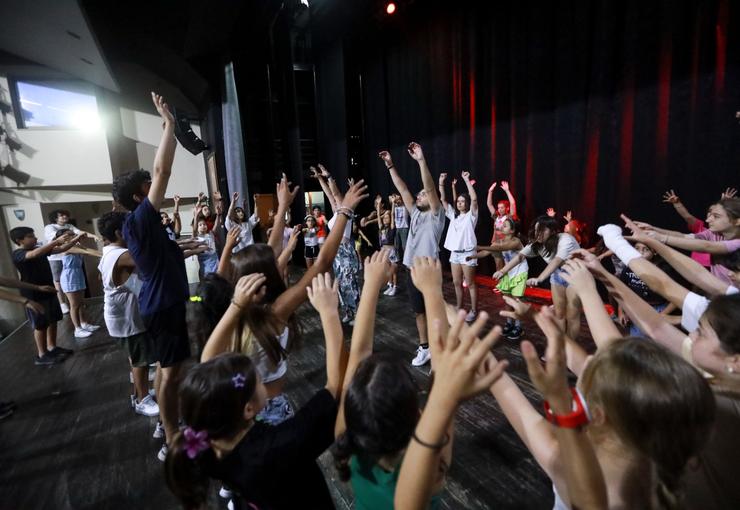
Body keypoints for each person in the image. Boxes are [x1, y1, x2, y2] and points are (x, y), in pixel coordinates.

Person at [334, 253, 507, 510]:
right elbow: (440, 376)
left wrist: (371, 285)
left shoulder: (345, 439)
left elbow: (359, 354)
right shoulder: (430, 469)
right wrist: (432, 292)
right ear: (416, 414)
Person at [165, 273, 349, 510]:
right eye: (258, 379)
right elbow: (335, 387)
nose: (262, 379)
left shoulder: (215, 444)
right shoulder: (281, 445)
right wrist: (329, 313)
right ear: (248, 409)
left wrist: (237, 305)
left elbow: (208, 363)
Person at [202, 178, 368, 425]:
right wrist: (344, 211)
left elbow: (270, 251)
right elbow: (322, 263)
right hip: (269, 408)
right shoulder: (273, 314)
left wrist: (282, 208)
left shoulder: (234, 310)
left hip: (243, 407)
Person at [111, 92, 189, 461]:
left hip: (163, 304)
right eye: (146, 188)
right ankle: (172, 438)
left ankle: (164, 424)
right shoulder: (139, 219)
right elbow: (162, 171)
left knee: (165, 368)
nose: (153, 188)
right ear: (138, 196)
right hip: (163, 305)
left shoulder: (146, 224)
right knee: (171, 375)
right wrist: (169, 125)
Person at [379, 142, 446, 367]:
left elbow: (430, 189)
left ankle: (439, 348)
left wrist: (421, 161)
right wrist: (390, 165)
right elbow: (403, 189)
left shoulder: (436, 214)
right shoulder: (415, 212)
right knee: (419, 312)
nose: (419, 197)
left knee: (434, 312)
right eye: (419, 196)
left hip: (429, 272)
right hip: (412, 270)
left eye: (423, 195)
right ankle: (425, 348)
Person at [96, 211, 159, 417]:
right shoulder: (121, 255)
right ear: (118, 232)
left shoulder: (111, 252)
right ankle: (142, 400)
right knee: (141, 361)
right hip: (126, 320)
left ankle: (139, 393)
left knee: (136, 358)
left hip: (124, 317)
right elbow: (153, 259)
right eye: (130, 227)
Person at [494, 215, 582, 340]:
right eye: (536, 230)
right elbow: (520, 256)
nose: (538, 233)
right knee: (559, 314)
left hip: (576, 274)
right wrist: (503, 271)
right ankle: (561, 346)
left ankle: (571, 348)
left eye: (542, 230)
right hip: (557, 274)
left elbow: (557, 260)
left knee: (572, 315)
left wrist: (539, 278)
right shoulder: (537, 244)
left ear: (552, 231)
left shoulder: (565, 239)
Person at [10, 226, 79, 365]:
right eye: (30, 236)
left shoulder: (39, 249)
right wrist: (56, 241)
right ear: (19, 240)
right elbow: (33, 255)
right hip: (33, 293)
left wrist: (76, 239)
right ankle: (42, 355)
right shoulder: (18, 253)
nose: (35, 238)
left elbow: (61, 249)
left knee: (53, 319)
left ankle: (52, 347)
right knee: (40, 324)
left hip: (48, 288)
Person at [634, 197, 740, 285]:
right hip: (722, 294)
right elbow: (683, 237)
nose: (708, 220)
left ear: (737, 221)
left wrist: (661, 237)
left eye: (716, 216)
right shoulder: (713, 233)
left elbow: (707, 246)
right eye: (710, 215)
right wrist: (652, 229)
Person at [469, 217, 529, 339]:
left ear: (512, 230)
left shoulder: (516, 241)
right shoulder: (499, 241)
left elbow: (500, 248)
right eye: (502, 225)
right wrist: (473, 257)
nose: (502, 226)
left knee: (516, 300)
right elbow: (487, 252)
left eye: (505, 225)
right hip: (507, 272)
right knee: (507, 299)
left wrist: (481, 246)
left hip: (519, 272)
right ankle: (509, 322)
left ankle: (518, 326)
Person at [44, 209, 100, 314]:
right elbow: (60, 238)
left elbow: (81, 234)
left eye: (66, 215)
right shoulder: (50, 227)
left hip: (72, 264)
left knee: (76, 288)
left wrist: (94, 236)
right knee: (58, 281)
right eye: (61, 215)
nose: (65, 217)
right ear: (55, 218)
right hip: (56, 258)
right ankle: (62, 303)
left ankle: (77, 304)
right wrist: (74, 238)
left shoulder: (69, 226)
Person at [440, 171, 478, 321]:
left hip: (468, 253)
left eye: (463, 201)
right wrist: (441, 182)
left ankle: (474, 310)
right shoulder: (453, 215)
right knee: (456, 282)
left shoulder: (471, 216)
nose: (460, 203)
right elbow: (443, 199)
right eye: (459, 201)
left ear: (467, 203)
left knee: (470, 283)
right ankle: (460, 307)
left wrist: (466, 180)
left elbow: (474, 198)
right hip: (455, 253)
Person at [53, 228, 101, 338]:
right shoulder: (67, 247)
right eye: (69, 235)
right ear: (63, 238)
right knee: (74, 305)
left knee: (81, 303)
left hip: (78, 274)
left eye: (72, 234)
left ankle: (84, 323)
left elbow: (88, 250)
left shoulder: (76, 245)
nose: (73, 236)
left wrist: (104, 252)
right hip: (69, 276)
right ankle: (77, 329)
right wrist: (105, 254)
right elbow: (87, 252)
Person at [486, 180, 517, 272]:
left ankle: (508, 281)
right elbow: (489, 204)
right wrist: (490, 191)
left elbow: (512, 203)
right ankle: (499, 281)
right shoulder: (496, 217)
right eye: (498, 207)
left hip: (506, 244)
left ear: (507, 208)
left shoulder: (509, 217)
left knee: (508, 267)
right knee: (498, 266)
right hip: (496, 244)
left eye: (502, 207)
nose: (499, 209)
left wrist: (507, 190)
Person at [373, 195, 399, 296]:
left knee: (393, 270)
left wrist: (393, 204)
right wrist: (379, 205)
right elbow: (378, 216)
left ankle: (395, 287)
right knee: (388, 270)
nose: (385, 219)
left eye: (387, 218)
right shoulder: (381, 227)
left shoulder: (392, 227)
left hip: (391, 251)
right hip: (384, 251)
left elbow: (392, 214)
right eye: (384, 218)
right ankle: (390, 285)